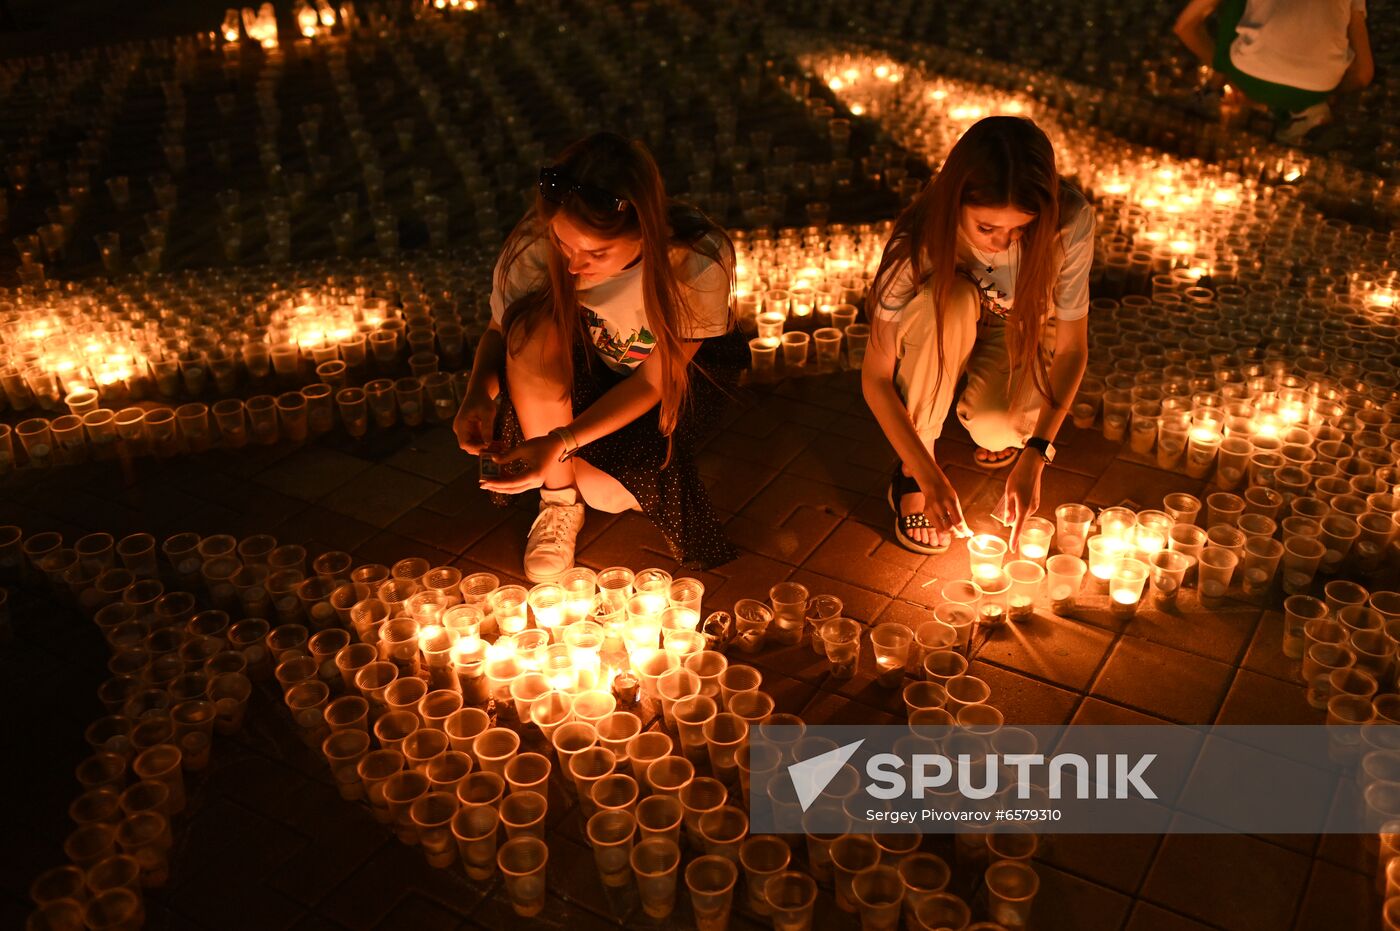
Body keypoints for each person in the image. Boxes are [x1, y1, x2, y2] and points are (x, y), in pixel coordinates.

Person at [453, 132, 743, 582]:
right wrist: (478, 394)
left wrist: (561, 441)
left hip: (672, 381)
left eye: (595, 252)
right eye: (565, 244)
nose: (572, 265)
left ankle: (581, 471)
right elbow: (499, 331)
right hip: (588, 364)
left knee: (607, 493)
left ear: (645, 230)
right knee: (529, 329)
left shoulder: (695, 260)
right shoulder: (535, 248)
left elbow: (652, 383)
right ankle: (558, 502)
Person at [862, 116, 1093, 555]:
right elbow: (874, 375)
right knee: (947, 303)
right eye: (986, 228)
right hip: (949, 318)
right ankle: (913, 468)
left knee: (997, 429)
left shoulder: (1071, 221)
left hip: (1021, 326)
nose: (1002, 244)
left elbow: (1072, 350)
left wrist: (1036, 456)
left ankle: (1000, 423)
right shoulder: (921, 237)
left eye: (1021, 229)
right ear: (956, 203)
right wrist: (928, 474)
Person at [1173, 0, 1374, 143]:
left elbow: (1184, 27)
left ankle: (1217, 88)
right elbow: (1364, 73)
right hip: (1317, 89)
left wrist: (1225, 70)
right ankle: (1305, 111)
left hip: (1248, 76)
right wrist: (1327, 96)